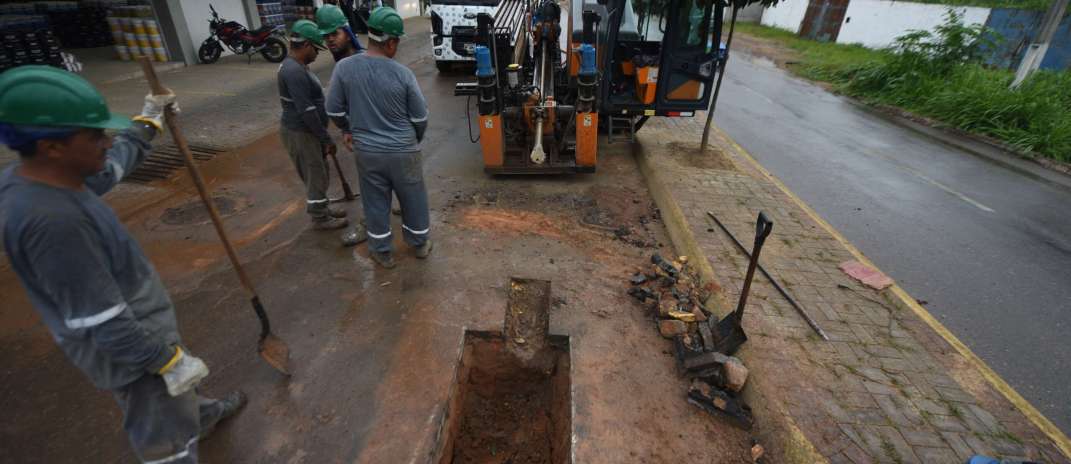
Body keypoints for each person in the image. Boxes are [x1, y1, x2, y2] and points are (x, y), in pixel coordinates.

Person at [0, 66, 245, 464]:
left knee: (178, 397)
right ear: (52, 146)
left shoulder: (51, 176)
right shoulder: (53, 222)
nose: (105, 141)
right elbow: (104, 320)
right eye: (95, 134)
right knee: (165, 436)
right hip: (135, 354)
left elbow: (113, 166)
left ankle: (202, 415)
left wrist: (149, 121)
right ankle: (181, 444)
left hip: (145, 330)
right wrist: (166, 361)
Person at [326, 7, 432, 269]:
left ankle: (382, 251)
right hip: (403, 150)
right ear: (392, 41)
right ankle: (419, 244)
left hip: (368, 151)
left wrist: (349, 130)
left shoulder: (344, 68)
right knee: (413, 199)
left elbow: (333, 110)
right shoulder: (403, 74)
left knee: (374, 200)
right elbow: (420, 118)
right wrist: (411, 140)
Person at [278, 19, 349, 230]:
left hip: (307, 131)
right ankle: (320, 217)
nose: (318, 54)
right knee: (315, 173)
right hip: (302, 132)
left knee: (320, 171)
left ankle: (323, 207)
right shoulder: (294, 71)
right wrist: (325, 138)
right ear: (306, 45)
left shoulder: (298, 66)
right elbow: (307, 111)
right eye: (316, 49)